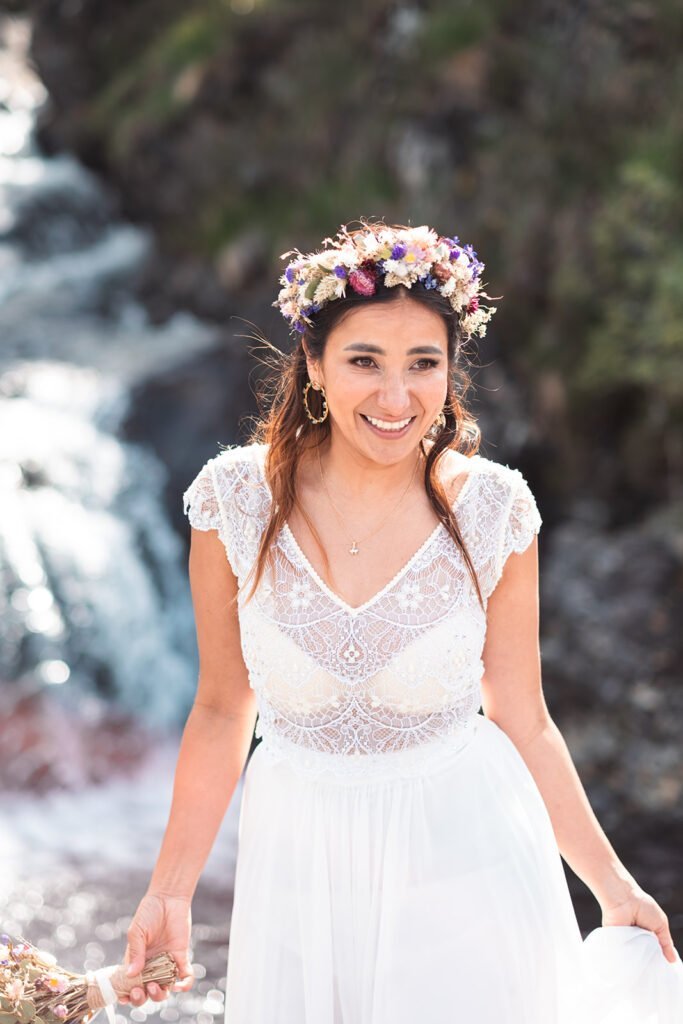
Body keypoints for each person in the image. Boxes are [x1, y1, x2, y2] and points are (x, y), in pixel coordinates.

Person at [121, 220, 683, 1022]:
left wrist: (613, 885)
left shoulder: (493, 509)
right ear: (313, 367)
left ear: (451, 370)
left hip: (464, 859)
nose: (396, 397)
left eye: (423, 364)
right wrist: (169, 892)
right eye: (363, 362)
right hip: (299, 871)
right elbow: (219, 708)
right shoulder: (232, 502)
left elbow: (522, 716)